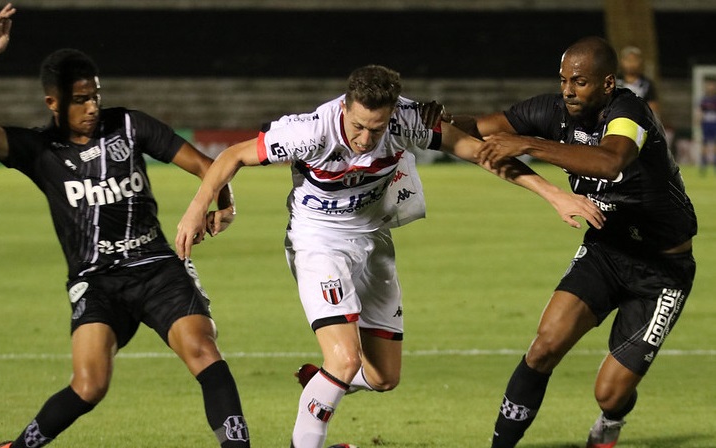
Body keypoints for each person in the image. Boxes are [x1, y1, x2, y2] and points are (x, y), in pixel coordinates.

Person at [174, 64, 604, 448]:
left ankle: (324, 386)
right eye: (358, 126)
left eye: (376, 129)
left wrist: (552, 194)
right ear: (345, 106)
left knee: (383, 377)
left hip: (373, 241)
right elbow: (233, 156)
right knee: (343, 359)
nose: (365, 138)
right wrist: (198, 208)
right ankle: (322, 402)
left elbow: (480, 154)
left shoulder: (408, 120)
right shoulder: (310, 131)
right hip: (318, 242)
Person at [0, 4, 249, 447]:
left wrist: (223, 199)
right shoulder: (39, 150)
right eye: (80, 99)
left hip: (156, 268)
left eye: (95, 95)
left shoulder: (128, 124)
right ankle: (19, 446)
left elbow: (208, 166)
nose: (92, 106)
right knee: (90, 385)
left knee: (203, 352)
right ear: (53, 102)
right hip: (97, 281)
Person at [457, 36, 697, 448]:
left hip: (662, 272)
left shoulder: (628, 113)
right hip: (607, 250)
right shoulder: (550, 110)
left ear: (607, 83)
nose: (568, 89)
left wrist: (529, 144)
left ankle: (612, 421)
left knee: (609, 393)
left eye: (580, 81)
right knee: (543, 347)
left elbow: (609, 161)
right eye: (564, 79)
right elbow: (475, 129)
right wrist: (422, 122)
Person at [616, 46, 660, 118]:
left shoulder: (647, 84)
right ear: (621, 61)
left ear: (640, 62)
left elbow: (653, 109)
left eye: (634, 60)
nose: (631, 63)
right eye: (628, 60)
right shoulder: (614, 82)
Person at [697, 76, 716, 174]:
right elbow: (700, 111)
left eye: (712, 85)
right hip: (706, 124)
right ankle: (703, 164)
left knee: (714, 145)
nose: (711, 87)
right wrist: (698, 120)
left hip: (714, 124)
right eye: (709, 85)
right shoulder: (704, 99)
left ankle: (714, 165)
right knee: (704, 144)